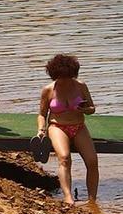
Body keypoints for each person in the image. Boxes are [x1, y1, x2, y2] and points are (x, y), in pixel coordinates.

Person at [34, 54, 98, 205]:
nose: (65, 81)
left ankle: (92, 200)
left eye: (68, 77)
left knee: (92, 161)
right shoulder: (48, 90)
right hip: (58, 126)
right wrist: (41, 129)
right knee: (64, 157)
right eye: (61, 77)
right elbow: (42, 114)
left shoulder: (81, 86)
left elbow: (92, 109)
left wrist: (85, 109)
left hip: (79, 126)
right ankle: (68, 197)